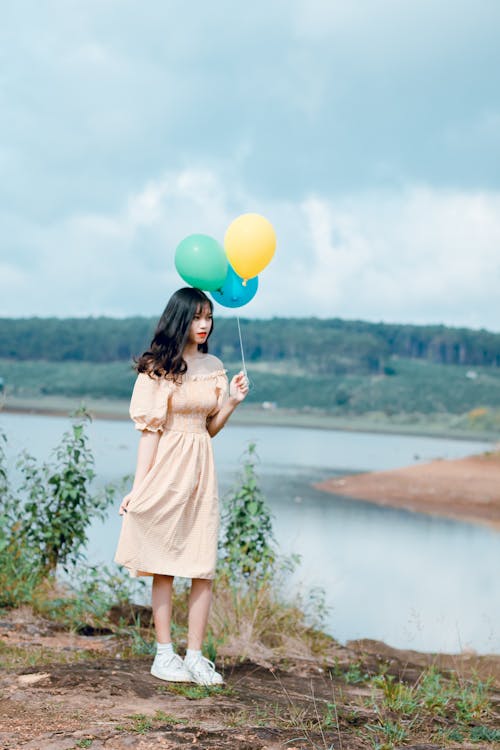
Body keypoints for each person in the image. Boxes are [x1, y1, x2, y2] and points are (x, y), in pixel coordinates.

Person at [114, 287, 249, 686]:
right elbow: (150, 434)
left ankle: (195, 656)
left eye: (208, 317)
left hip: (201, 467)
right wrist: (139, 488)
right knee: (165, 563)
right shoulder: (158, 367)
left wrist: (232, 402)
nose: (204, 324)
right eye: (196, 317)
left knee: (201, 563)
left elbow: (207, 430)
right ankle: (163, 654)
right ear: (180, 319)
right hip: (167, 467)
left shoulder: (214, 365)